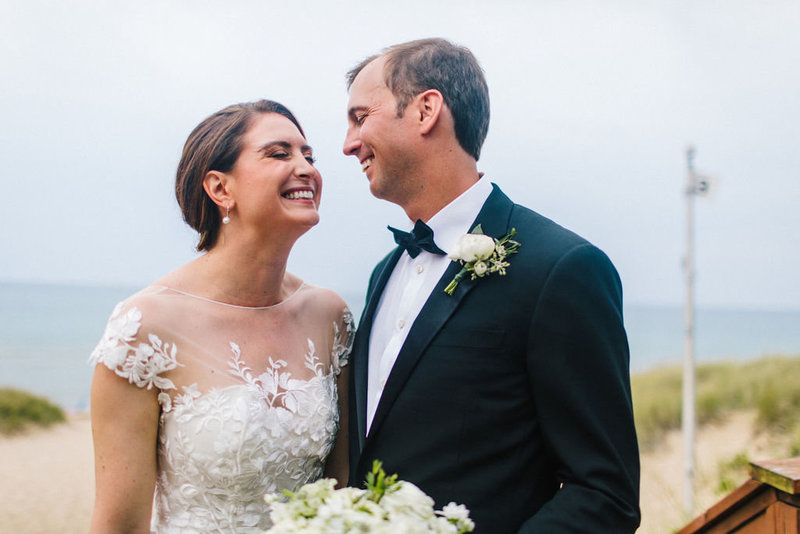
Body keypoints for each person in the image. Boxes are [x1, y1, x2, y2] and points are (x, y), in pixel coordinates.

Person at [343, 38, 640, 533]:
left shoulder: (561, 268)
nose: (348, 143)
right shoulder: (384, 273)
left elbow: (604, 492)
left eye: (360, 117)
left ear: (426, 110)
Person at [88, 100, 353, 533]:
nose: (305, 167)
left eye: (309, 155)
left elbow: (341, 488)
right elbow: (119, 524)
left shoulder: (330, 317)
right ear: (220, 189)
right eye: (279, 153)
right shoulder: (146, 326)